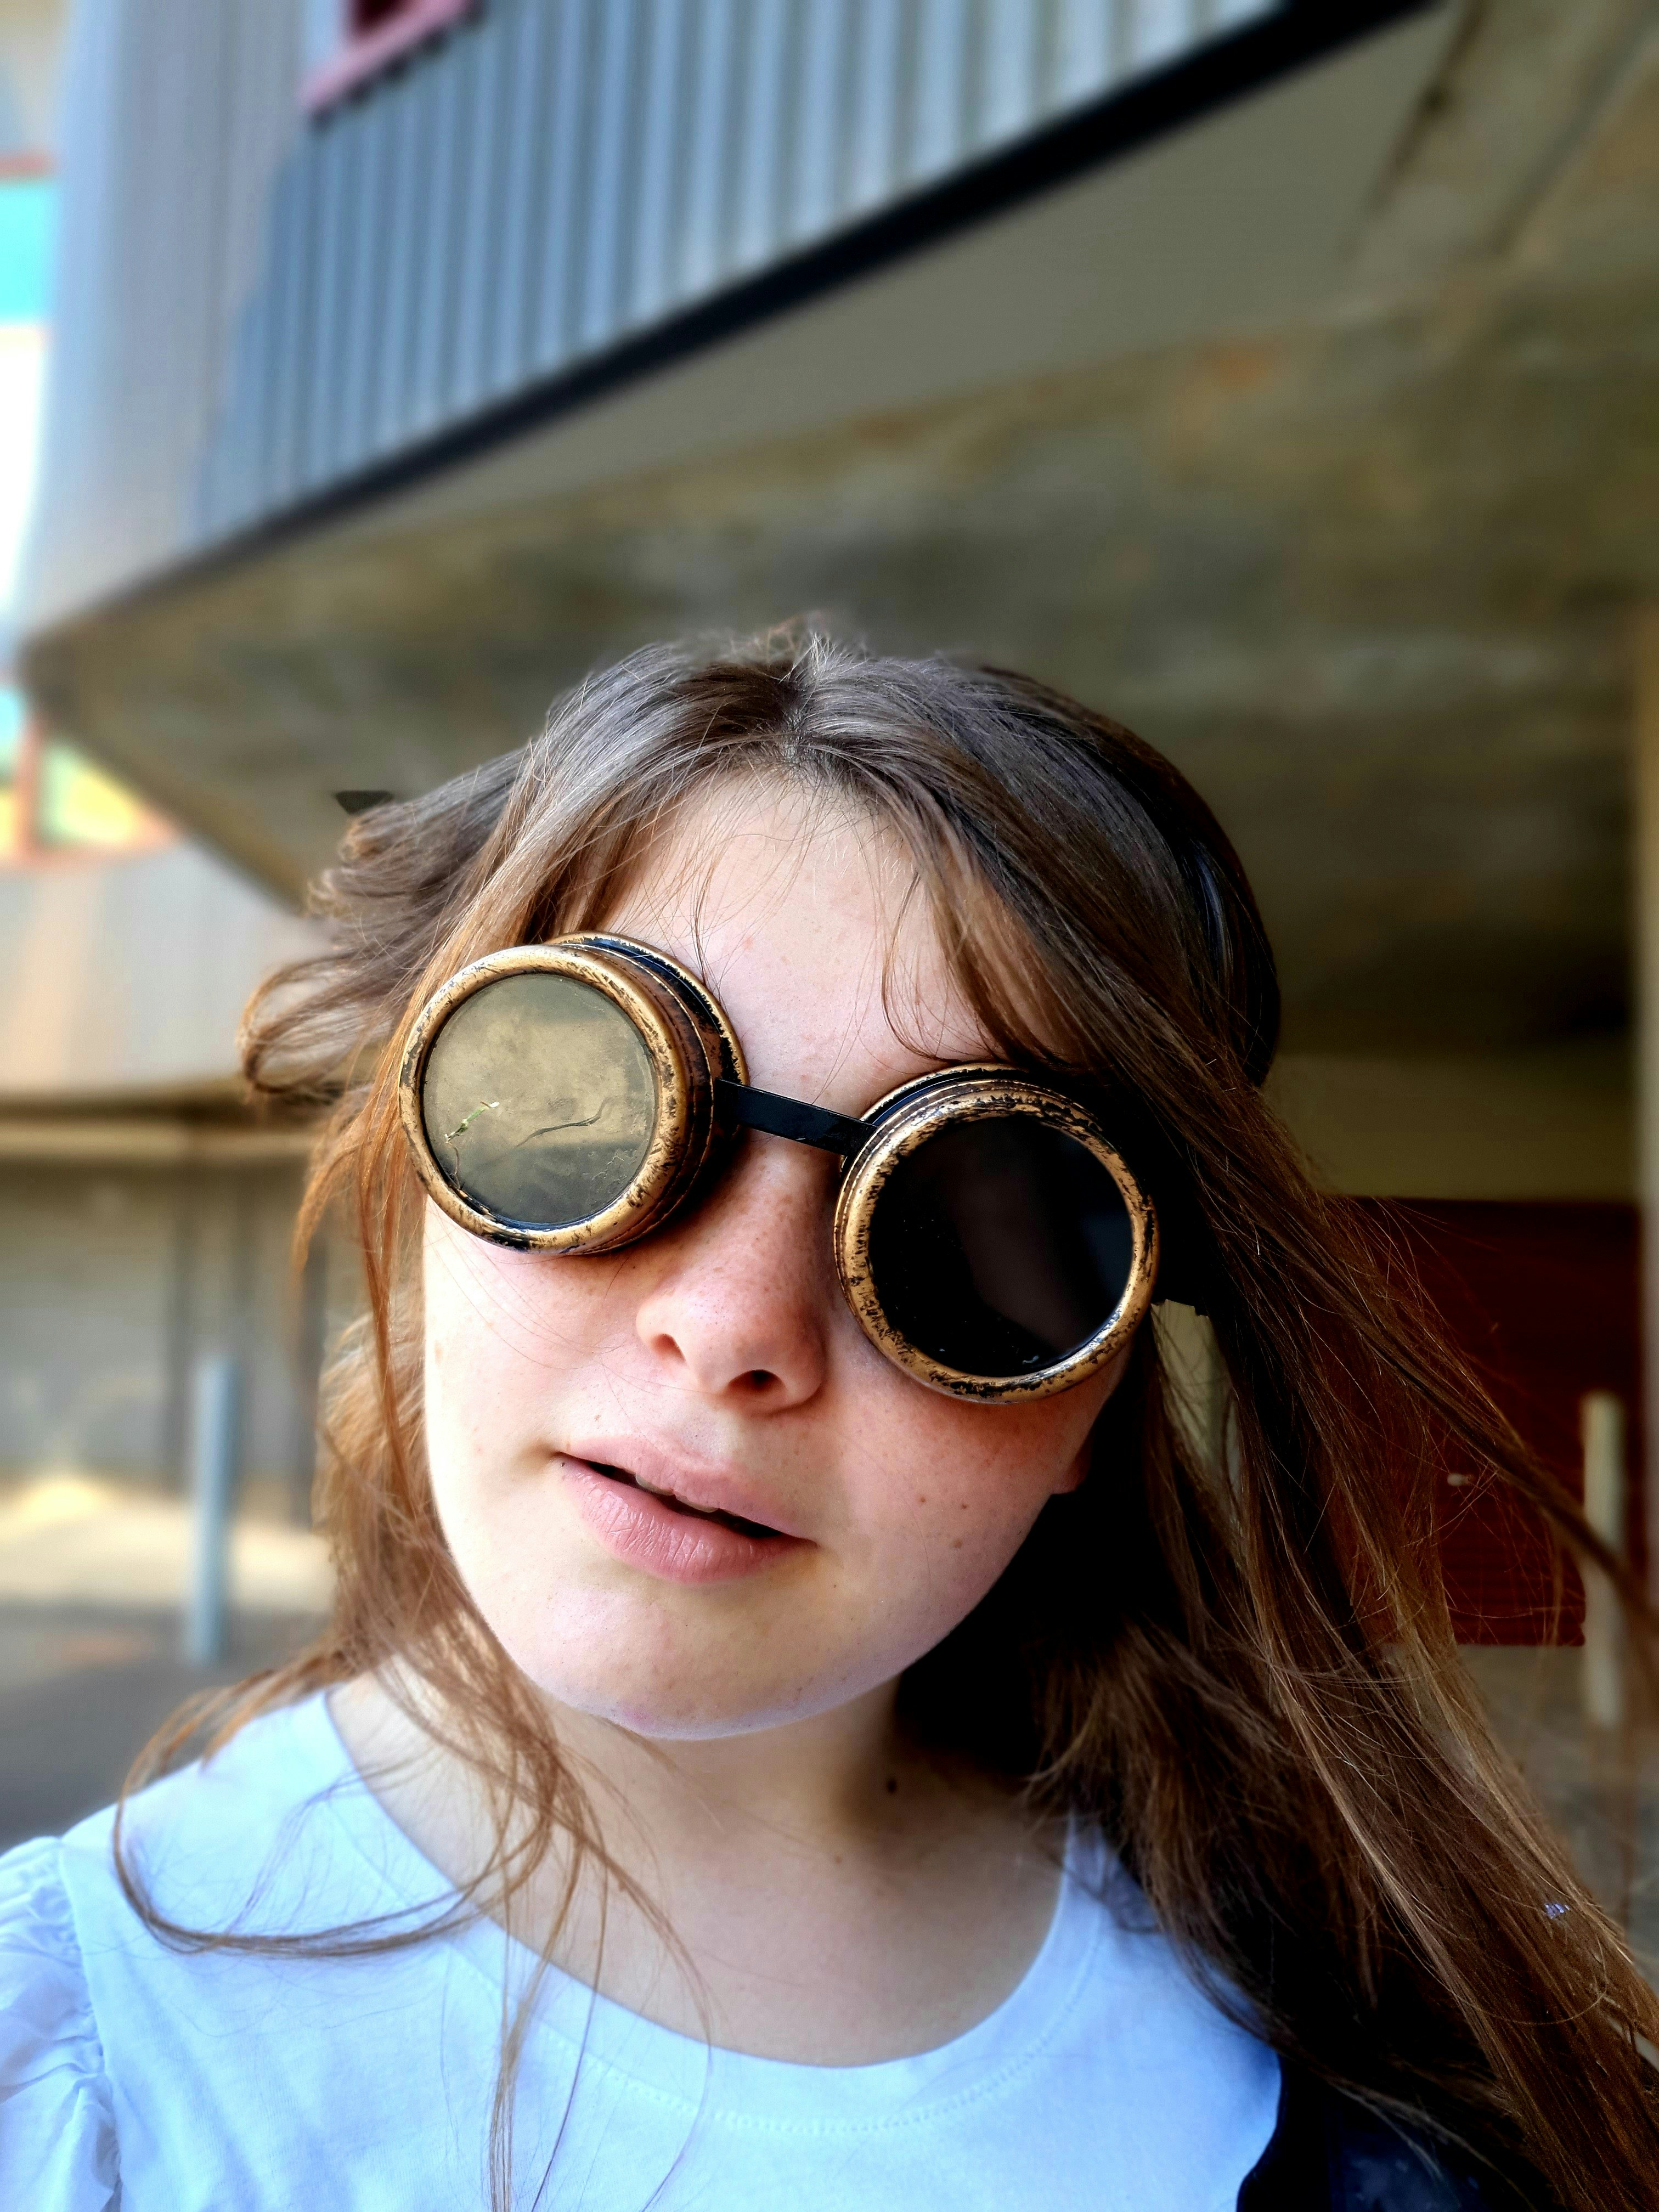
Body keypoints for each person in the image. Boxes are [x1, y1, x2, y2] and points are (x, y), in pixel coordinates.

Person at [1, 631, 1654, 2211]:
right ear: (415, 1184)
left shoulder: (1376, 2059)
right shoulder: (80, 2081)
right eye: (591, 1118)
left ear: (1090, 1405)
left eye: (969, 1231)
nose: (733, 1331)